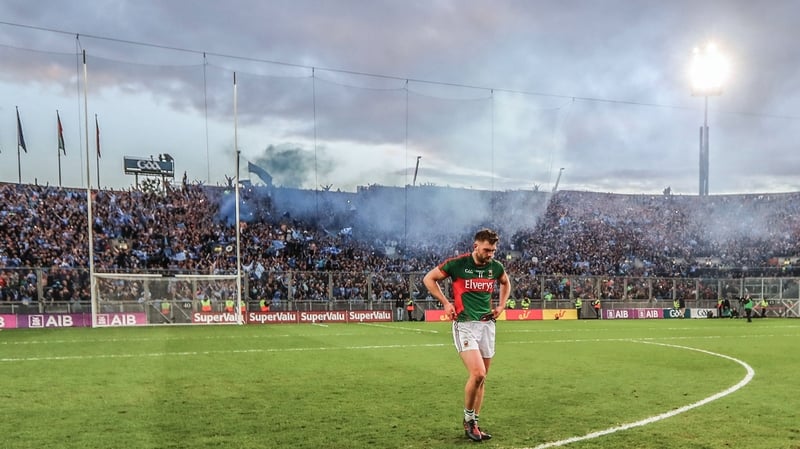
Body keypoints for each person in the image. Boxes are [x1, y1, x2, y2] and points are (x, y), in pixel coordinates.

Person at [422, 228, 511, 442]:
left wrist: (501, 305)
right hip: (464, 324)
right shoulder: (458, 264)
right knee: (478, 373)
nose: (490, 254)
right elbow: (429, 279)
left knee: (482, 380)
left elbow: (505, 283)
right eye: (487, 250)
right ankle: (469, 421)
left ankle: (475, 423)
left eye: (493, 250)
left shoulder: (495, 267)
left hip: (487, 326)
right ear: (476, 246)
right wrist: (445, 302)